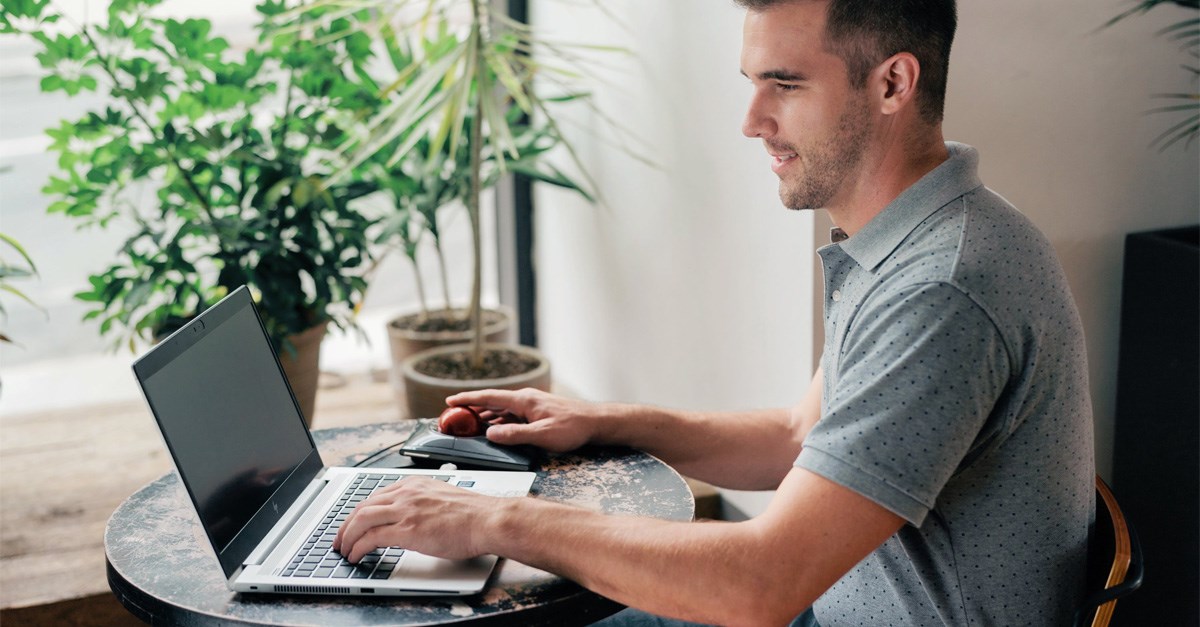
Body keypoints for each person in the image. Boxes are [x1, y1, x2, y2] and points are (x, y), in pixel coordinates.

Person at [334, 0, 1096, 624]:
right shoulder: (913, 237)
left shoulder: (943, 288)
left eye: (785, 85)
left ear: (893, 82)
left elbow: (761, 585)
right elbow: (800, 438)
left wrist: (494, 520)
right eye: (752, 82)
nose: (752, 119)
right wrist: (599, 420)